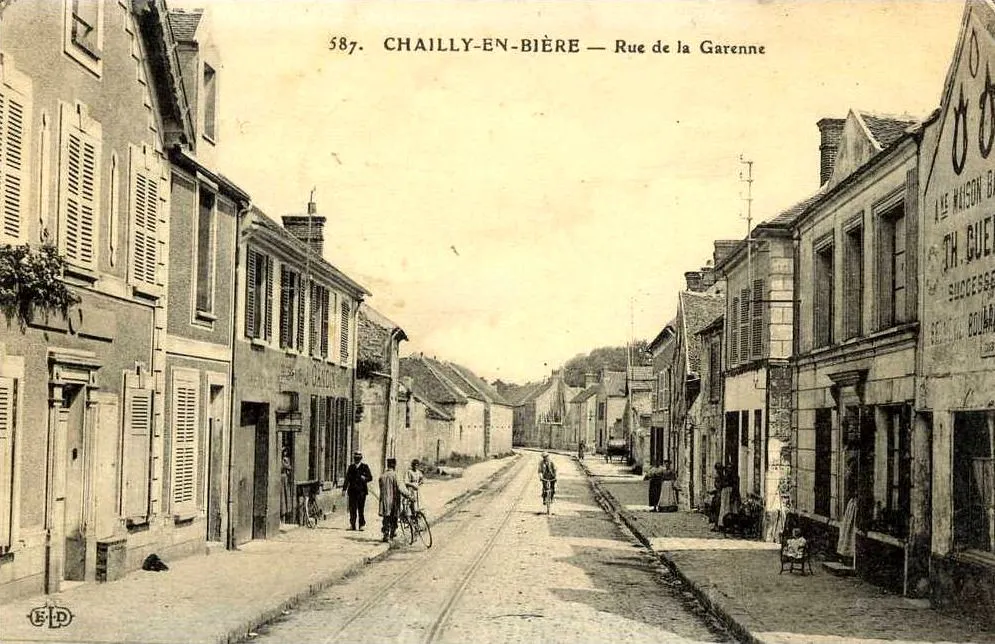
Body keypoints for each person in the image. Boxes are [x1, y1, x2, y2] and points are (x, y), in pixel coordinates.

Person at [379, 458, 411, 542]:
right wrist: (409, 495)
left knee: (386, 518)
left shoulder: (382, 476)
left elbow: (381, 489)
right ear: (394, 465)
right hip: (393, 501)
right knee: (394, 518)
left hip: (385, 501)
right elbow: (401, 488)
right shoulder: (395, 475)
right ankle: (391, 535)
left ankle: (385, 535)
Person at [342, 451, 373, 531]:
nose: (357, 460)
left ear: (361, 458)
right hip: (352, 491)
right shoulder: (351, 467)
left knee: (361, 509)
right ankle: (352, 525)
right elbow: (347, 479)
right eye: (355, 458)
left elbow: (370, 477)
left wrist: (365, 478)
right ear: (354, 459)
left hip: (361, 492)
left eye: (358, 458)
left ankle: (361, 525)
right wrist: (344, 489)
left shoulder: (365, 467)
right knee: (352, 509)